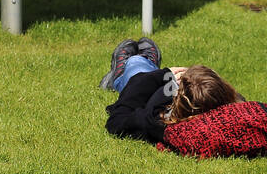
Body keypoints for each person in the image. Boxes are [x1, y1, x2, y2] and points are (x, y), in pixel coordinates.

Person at [101, 37, 245, 143]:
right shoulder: (232, 109)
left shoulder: (155, 118)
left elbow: (116, 121)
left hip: (144, 89)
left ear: (177, 94)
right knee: (140, 70)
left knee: (135, 65)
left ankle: (120, 75)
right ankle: (142, 65)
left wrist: (163, 75)